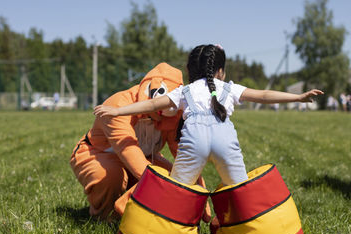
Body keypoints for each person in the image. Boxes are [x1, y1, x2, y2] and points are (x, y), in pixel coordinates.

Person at [94, 44, 324, 186]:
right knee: (240, 188)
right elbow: (264, 94)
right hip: (225, 140)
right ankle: (245, 226)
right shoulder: (229, 88)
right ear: (220, 71)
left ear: (190, 71)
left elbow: (151, 104)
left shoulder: (185, 91)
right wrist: (298, 97)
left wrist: (116, 110)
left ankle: (168, 230)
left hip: (194, 141)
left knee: (176, 190)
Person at [70, 62, 210, 220]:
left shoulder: (175, 112)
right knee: (111, 176)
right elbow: (127, 148)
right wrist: (160, 183)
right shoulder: (118, 104)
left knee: (175, 178)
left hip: (145, 157)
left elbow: (183, 153)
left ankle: (141, 209)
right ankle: (103, 217)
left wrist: (198, 191)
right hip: (97, 152)